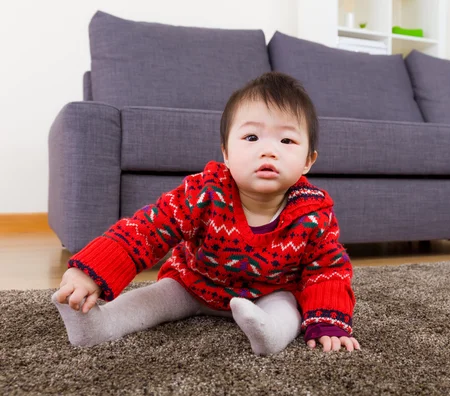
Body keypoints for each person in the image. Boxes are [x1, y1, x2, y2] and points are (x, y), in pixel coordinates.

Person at [52, 71, 360, 354]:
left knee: (286, 308)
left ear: (308, 160)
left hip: (268, 292)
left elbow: (327, 268)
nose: (269, 150)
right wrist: (91, 269)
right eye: (251, 138)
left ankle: (270, 335)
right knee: (154, 298)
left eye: (287, 140)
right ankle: (96, 325)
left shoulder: (313, 211)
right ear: (226, 152)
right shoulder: (205, 191)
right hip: (193, 284)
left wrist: (329, 320)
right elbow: (149, 227)